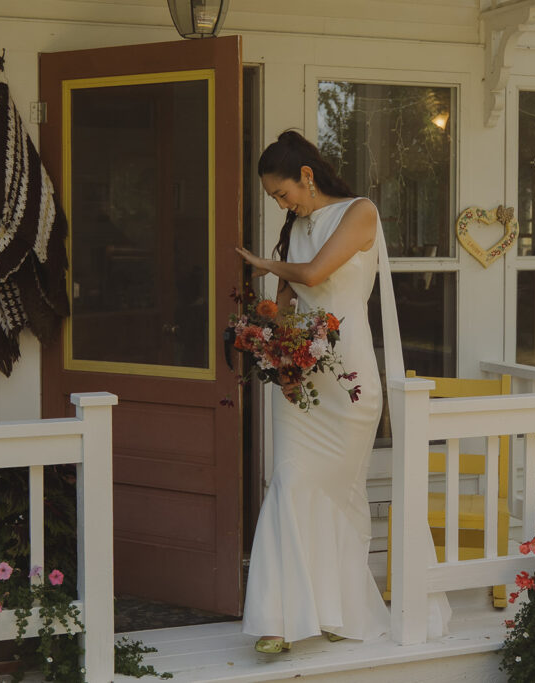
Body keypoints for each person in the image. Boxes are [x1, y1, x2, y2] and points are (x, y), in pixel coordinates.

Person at [235, 130, 391, 653]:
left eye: (282, 194)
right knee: (290, 483)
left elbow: (317, 273)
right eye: (274, 198)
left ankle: (337, 610)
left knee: (338, 496)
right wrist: (263, 334)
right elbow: (284, 304)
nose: (280, 204)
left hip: (348, 383)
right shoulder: (294, 228)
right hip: (301, 381)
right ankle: (277, 621)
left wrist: (266, 264)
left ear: (306, 176)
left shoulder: (359, 213)